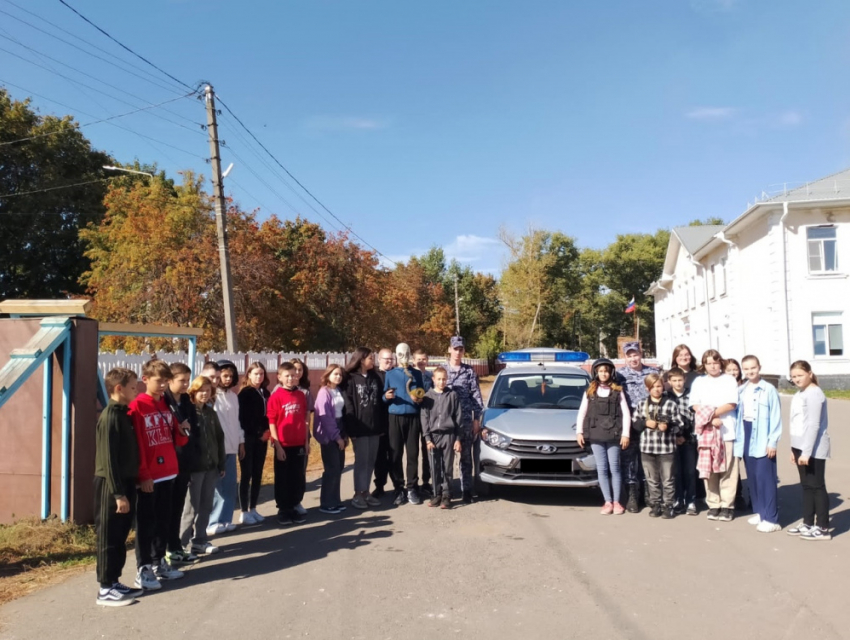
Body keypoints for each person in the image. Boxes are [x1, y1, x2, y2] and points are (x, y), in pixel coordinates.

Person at [129, 359, 187, 591]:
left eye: (166, 381)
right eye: (158, 381)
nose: (163, 385)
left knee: (164, 520)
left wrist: (182, 431)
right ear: (145, 380)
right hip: (150, 475)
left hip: (169, 471)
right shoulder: (137, 407)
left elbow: (177, 438)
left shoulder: (166, 404)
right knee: (146, 523)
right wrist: (143, 475)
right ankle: (143, 569)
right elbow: (139, 445)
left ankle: (158, 561)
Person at [94, 367, 143, 607]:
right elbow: (109, 460)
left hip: (125, 482)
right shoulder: (110, 416)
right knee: (109, 537)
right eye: (133, 386)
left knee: (121, 535)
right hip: (111, 485)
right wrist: (118, 494)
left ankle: (113, 581)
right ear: (118, 388)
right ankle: (104, 589)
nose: (137, 390)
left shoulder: (124, 413)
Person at [575, 358, 631, 515]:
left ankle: (617, 502)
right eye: (600, 371)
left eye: (606, 371)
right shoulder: (590, 391)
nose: (603, 374)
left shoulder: (618, 391)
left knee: (615, 467)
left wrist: (625, 434)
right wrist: (579, 432)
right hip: (595, 434)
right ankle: (607, 501)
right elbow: (582, 413)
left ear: (611, 372)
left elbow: (626, 414)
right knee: (602, 468)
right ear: (595, 373)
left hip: (614, 435)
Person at [733, 355, 782, 533]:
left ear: (759, 367)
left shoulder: (768, 389)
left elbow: (776, 417)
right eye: (746, 369)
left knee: (765, 477)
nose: (749, 371)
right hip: (746, 431)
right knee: (752, 475)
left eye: (753, 368)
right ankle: (761, 512)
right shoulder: (742, 389)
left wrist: (772, 441)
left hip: (762, 433)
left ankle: (772, 518)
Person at [689, 349, 739, 522]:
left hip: (726, 431)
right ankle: (714, 504)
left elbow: (731, 403)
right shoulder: (699, 382)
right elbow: (695, 404)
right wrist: (711, 419)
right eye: (709, 363)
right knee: (709, 469)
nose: (712, 366)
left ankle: (727, 505)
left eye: (715, 362)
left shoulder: (729, 380)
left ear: (721, 363)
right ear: (704, 365)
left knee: (728, 469)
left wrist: (713, 415)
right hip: (706, 431)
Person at [180, 376, 226, 555]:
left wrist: (221, 463)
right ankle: (180, 546)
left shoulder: (211, 413)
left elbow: (219, 438)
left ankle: (200, 540)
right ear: (194, 391)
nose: (205, 394)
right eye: (201, 390)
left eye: (208, 390)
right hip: (194, 469)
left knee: (206, 505)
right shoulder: (188, 412)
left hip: (211, 467)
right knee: (191, 508)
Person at [787, 360, 832, 541]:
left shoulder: (814, 394)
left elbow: (813, 425)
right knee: (806, 486)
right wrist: (794, 449)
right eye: (793, 376)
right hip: (801, 446)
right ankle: (807, 523)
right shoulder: (801, 393)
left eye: (799, 375)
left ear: (809, 373)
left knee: (817, 486)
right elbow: (797, 423)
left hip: (813, 448)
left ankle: (823, 528)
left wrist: (806, 452)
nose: (796, 379)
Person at [615, 341, 659, 513]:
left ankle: (648, 494)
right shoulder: (620, 375)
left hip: (650, 421)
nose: (633, 358)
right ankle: (632, 495)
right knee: (629, 460)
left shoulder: (653, 372)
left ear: (641, 354)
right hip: (630, 422)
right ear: (625, 357)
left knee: (649, 459)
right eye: (629, 355)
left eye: (636, 354)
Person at [163, 363, 200, 566]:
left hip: (185, 460)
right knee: (167, 507)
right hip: (169, 461)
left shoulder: (186, 400)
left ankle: (176, 546)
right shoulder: (164, 401)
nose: (186, 384)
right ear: (170, 380)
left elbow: (193, 429)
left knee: (178, 505)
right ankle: (167, 548)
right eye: (181, 380)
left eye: (188, 380)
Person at [384, 343, 426, 506]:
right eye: (400, 355)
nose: (403, 358)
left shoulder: (416, 373)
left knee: (413, 454)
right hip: (395, 417)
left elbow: (421, 392)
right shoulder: (391, 374)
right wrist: (386, 397)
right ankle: (398, 488)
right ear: (396, 355)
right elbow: (384, 396)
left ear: (410, 355)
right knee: (395, 454)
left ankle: (412, 488)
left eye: (406, 354)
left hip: (413, 417)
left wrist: (420, 398)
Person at [633, 374, 680, 519]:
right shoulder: (642, 404)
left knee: (668, 478)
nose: (656, 389)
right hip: (647, 448)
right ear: (648, 389)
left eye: (659, 386)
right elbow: (635, 423)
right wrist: (645, 423)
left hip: (666, 448)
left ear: (663, 387)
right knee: (651, 479)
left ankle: (669, 505)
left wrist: (668, 426)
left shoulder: (671, 404)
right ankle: (655, 504)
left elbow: (679, 424)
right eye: (653, 387)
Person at [267, 362, 309, 525]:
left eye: (293, 375)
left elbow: (305, 420)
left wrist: (306, 442)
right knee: (283, 478)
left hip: (298, 443)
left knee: (296, 477)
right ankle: (283, 509)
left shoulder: (300, 395)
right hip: (283, 444)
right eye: (287, 376)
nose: (291, 378)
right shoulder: (276, 397)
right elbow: (272, 422)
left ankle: (293, 507)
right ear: (279, 377)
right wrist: (277, 445)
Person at [343, 347, 384, 510]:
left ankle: (366, 491)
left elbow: (380, 403)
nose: (372, 361)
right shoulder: (351, 379)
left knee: (370, 461)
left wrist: (381, 426)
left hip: (374, 427)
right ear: (361, 360)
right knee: (361, 461)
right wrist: (352, 430)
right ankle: (357, 494)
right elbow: (349, 405)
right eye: (370, 358)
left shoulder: (375, 377)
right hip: (359, 428)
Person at [445, 336, 484, 504]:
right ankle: (446, 490)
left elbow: (476, 396)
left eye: (460, 349)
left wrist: (477, 420)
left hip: (466, 420)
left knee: (465, 457)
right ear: (449, 349)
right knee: (446, 458)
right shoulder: (442, 371)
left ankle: (466, 490)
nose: (458, 352)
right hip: (447, 421)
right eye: (455, 349)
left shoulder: (469, 371)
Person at [208, 360, 245, 534]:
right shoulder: (211, 396)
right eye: (224, 376)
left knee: (230, 486)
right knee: (217, 488)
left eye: (231, 376)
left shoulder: (233, 396)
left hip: (231, 447)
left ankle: (226, 520)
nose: (228, 379)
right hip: (217, 449)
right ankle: (213, 522)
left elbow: (236, 422)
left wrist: (241, 441)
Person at [420, 367, 463, 509]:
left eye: (444, 379)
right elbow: (424, 418)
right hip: (433, 437)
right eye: (438, 379)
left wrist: (457, 438)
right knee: (434, 467)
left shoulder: (452, 395)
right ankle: (436, 493)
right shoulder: (427, 397)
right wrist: (427, 438)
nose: (441, 382)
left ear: (447, 379)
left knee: (447, 467)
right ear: (433, 379)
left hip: (448, 435)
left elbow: (458, 417)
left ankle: (447, 495)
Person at [237, 362, 271, 526]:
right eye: (256, 374)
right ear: (249, 375)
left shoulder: (265, 392)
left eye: (261, 374)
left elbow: (268, 416)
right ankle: (243, 511)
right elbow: (243, 419)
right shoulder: (245, 393)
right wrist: (258, 433)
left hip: (262, 439)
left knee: (258, 473)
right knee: (247, 474)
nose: (259, 377)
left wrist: (267, 432)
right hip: (248, 438)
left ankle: (253, 508)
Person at [314, 364, 348, 514]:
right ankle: (326, 503)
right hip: (329, 434)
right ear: (328, 375)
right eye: (335, 374)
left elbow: (343, 412)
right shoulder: (324, 393)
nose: (338, 377)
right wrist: (336, 437)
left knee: (339, 467)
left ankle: (335, 500)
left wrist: (344, 434)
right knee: (332, 468)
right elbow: (326, 418)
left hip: (340, 428)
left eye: (340, 374)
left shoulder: (338, 390)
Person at [665, 368, 698, 516]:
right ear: (669, 382)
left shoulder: (692, 395)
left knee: (690, 471)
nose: (677, 383)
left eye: (680, 380)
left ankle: (691, 500)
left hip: (689, 439)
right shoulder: (666, 396)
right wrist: (675, 434)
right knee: (675, 471)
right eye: (674, 381)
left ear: (684, 379)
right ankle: (678, 499)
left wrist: (686, 435)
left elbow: (696, 417)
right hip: (672, 440)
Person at [290, 358, 314, 517]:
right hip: (285, 438)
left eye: (300, 370)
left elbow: (308, 417)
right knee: (286, 473)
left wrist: (306, 438)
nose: (297, 373)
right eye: (294, 370)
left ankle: (297, 501)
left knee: (300, 471)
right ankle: (285, 504)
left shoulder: (305, 392)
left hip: (302, 436)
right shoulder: (279, 390)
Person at [371, 348, 394, 498]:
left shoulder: (396, 374)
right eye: (385, 359)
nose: (388, 361)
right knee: (379, 457)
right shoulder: (373, 376)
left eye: (391, 359)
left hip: (394, 421)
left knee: (394, 455)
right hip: (378, 421)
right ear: (379, 359)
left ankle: (398, 484)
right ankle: (379, 485)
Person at [413, 348, 434, 496]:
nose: (421, 362)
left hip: (428, 417)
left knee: (428, 451)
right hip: (413, 417)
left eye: (424, 359)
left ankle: (426, 482)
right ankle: (412, 483)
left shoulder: (431, 377)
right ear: (413, 361)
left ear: (427, 361)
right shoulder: (409, 377)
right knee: (412, 452)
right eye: (418, 359)